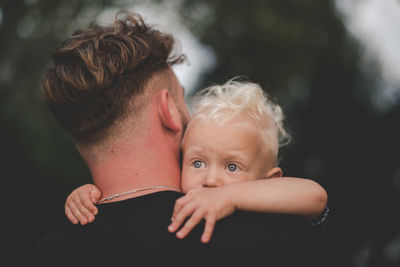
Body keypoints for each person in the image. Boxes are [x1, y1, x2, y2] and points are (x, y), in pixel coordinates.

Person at [11, 11, 327, 267]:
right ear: (169, 110)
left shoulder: (41, 255)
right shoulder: (275, 236)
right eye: (182, 99)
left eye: (231, 166)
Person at [65, 79, 328, 244]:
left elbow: (316, 197)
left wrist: (231, 197)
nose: (211, 180)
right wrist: (88, 195)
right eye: (198, 163)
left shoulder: (268, 212)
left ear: (269, 181)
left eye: (232, 166)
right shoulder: (179, 202)